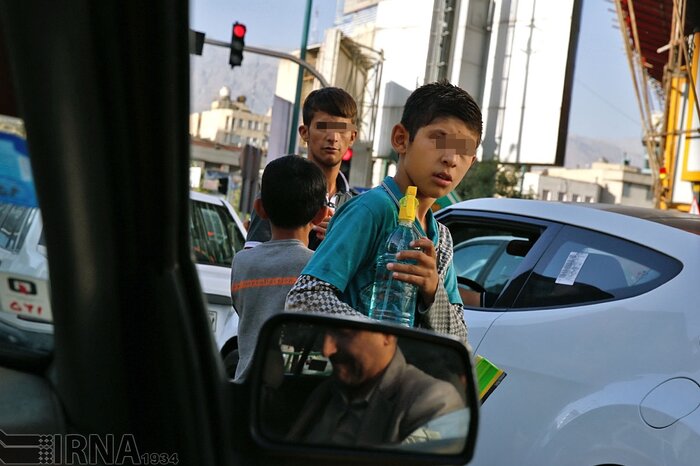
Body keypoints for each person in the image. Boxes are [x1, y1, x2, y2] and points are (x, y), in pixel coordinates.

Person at [286, 81, 483, 346]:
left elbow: (458, 336)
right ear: (401, 139)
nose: (451, 159)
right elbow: (303, 299)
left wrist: (433, 290)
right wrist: (379, 341)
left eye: (464, 150)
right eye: (439, 140)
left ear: (471, 163)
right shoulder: (372, 210)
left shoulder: (442, 239)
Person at [230, 155, 328, 381]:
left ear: (260, 209)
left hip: (247, 386)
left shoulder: (241, 263)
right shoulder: (317, 267)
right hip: (293, 392)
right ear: (321, 214)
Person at [287, 328, 465, 446]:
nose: (326, 350)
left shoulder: (434, 398)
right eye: (324, 335)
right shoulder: (327, 391)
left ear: (387, 336)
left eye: (345, 334)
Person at [245, 87, 359, 250]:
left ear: (352, 137)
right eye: (323, 127)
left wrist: (342, 242)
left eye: (341, 129)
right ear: (305, 132)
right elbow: (254, 264)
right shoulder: (277, 189)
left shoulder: (357, 206)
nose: (333, 137)